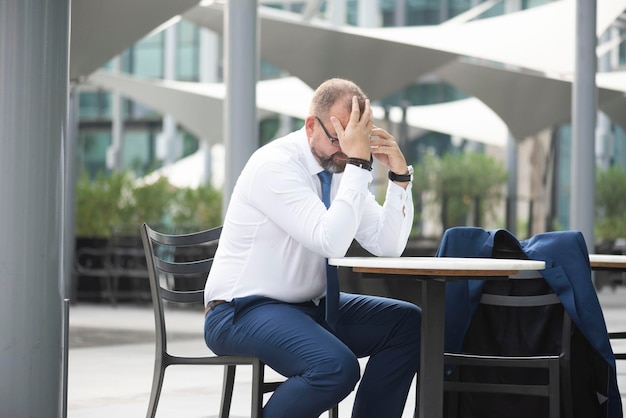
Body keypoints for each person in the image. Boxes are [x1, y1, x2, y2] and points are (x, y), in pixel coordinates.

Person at [203, 78, 421, 418]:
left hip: (310, 308)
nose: (346, 151)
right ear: (310, 125)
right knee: (336, 367)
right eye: (338, 139)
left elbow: (387, 244)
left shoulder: (340, 169)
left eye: (355, 141)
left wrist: (398, 177)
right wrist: (360, 165)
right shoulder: (275, 166)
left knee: (408, 323)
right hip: (241, 310)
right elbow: (329, 240)